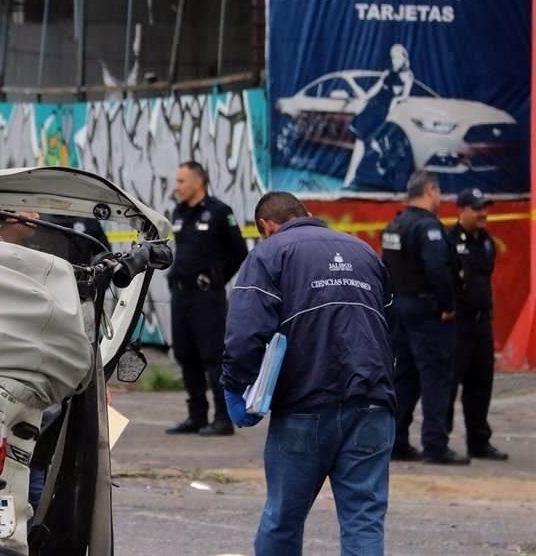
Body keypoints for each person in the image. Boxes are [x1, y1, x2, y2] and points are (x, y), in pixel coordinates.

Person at [222, 191, 395, 555]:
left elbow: (244, 333)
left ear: (267, 227)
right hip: (374, 404)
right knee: (364, 522)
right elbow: (389, 321)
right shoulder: (363, 251)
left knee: (283, 518)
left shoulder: (270, 253)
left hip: (305, 406)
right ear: (308, 213)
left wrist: (236, 386)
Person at [381, 171, 469, 465]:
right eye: (439, 191)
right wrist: (448, 304)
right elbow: (437, 269)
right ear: (431, 190)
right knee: (436, 377)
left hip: (400, 309)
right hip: (427, 311)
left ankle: (396, 441)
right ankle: (435, 444)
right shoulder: (428, 227)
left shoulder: (394, 224)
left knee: (404, 376)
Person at [165, 161, 248, 436]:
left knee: (212, 357)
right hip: (181, 296)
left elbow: (238, 252)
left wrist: (217, 279)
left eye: (181, 181)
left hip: (206, 298)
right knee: (185, 355)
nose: (177, 187)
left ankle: (223, 418)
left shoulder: (219, 212)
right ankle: (196, 416)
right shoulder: (179, 212)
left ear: (198, 182)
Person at [446, 188, 508, 461]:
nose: (484, 213)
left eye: (485, 207)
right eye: (478, 208)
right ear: (462, 210)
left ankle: (479, 441)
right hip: (457, 325)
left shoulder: (486, 242)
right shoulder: (449, 240)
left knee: (481, 384)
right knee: (449, 384)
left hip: (482, 324)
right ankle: (440, 441)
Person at [345, 43, 415, 191]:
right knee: (360, 143)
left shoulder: (408, 76)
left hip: (385, 114)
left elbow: (405, 96)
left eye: (397, 57)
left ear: (404, 58)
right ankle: (349, 178)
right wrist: (363, 99)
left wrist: (396, 101)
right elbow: (373, 90)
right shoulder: (387, 73)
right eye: (392, 57)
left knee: (376, 145)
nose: (394, 60)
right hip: (372, 110)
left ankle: (383, 178)